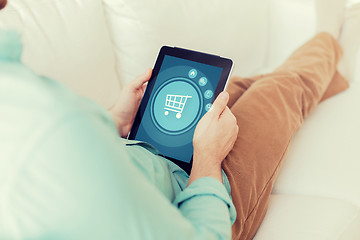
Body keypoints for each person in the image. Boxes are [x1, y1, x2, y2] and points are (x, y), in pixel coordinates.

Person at [0, 0, 359, 239]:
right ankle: (333, 41)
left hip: (144, 146)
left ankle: (324, 75)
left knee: (234, 87)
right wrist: (207, 159)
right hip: (204, 195)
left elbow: (72, 167)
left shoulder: (26, 102)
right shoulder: (51, 122)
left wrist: (111, 122)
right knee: (283, 88)